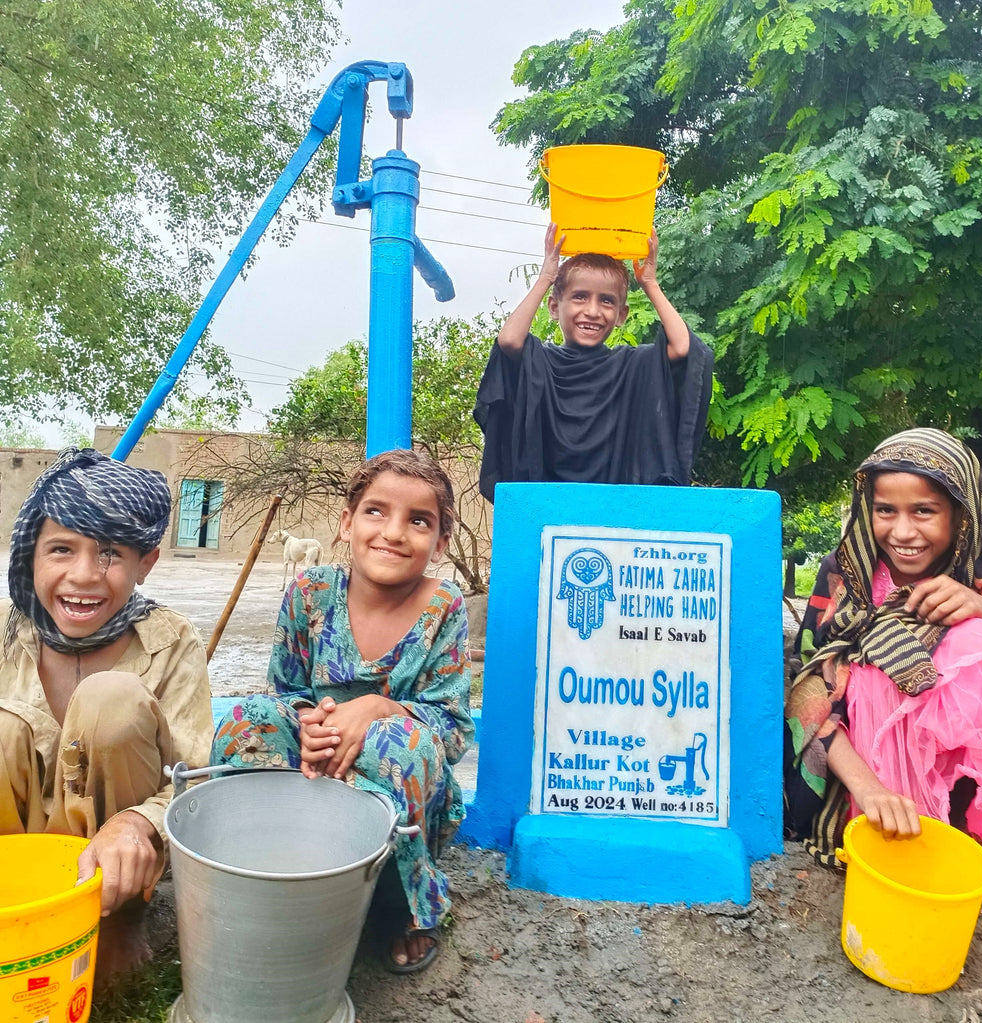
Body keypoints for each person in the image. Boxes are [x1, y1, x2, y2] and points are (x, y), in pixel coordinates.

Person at [211, 449, 474, 973]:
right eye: (376, 512)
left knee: (403, 743)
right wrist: (311, 724)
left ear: (440, 542)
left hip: (398, 779)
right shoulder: (310, 593)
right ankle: (267, 875)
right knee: (247, 720)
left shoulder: (444, 606)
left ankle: (398, 908)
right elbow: (283, 691)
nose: (393, 533)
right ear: (346, 523)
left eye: (418, 521)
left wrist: (378, 708)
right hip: (315, 757)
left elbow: (452, 729)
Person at [0, 448, 213, 979]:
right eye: (61, 550)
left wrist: (138, 823)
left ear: (146, 563)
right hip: (17, 868)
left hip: (118, 865)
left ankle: (119, 918)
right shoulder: (9, 634)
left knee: (110, 701)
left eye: (110, 554)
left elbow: (198, 779)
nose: (83, 576)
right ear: (31, 555)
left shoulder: (171, 641)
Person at [784, 428, 982, 895]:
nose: (903, 532)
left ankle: (979, 836)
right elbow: (807, 690)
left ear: (961, 516)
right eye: (885, 510)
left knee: (980, 640)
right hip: (861, 779)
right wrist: (869, 788)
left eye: (925, 511)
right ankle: (897, 835)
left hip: (965, 788)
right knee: (873, 669)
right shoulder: (843, 573)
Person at [473, 223, 714, 501]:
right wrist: (546, 277)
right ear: (554, 307)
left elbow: (683, 347)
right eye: (579, 297)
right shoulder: (540, 362)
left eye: (607, 301)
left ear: (621, 315)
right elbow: (509, 342)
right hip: (549, 504)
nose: (592, 311)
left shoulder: (632, 365)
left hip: (613, 508)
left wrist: (650, 283)